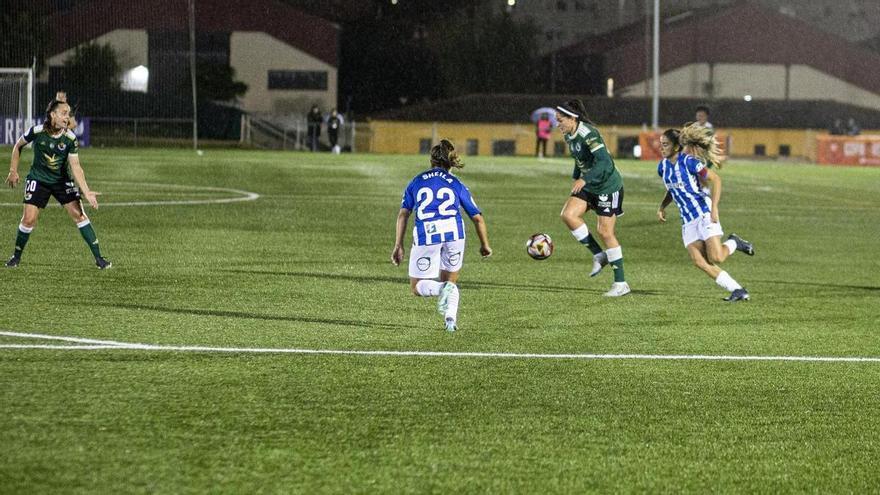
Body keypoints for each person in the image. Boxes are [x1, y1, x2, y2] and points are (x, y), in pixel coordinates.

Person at [391, 139, 492, 332]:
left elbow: (404, 213)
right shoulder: (456, 183)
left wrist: (398, 245)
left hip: (427, 233)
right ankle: (450, 321)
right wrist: (484, 245)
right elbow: (477, 218)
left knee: (417, 287)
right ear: (450, 163)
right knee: (450, 284)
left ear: (432, 160)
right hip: (454, 233)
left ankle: (441, 294)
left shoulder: (417, 181)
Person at [5, 99, 110, 269]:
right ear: (52, 115)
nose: (67, 118)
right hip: (38, 179)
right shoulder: (37, 131)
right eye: (63, 113)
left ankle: (99, 259)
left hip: (61, 181)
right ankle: (15, 257)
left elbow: (76, 167)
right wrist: (13, 170)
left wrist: (87, 191)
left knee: (79, 214)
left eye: (68, 114)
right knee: (29, 219)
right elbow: (18, 146)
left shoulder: (70, 138)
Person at [656, 124, 754, 302]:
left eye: (665, 144)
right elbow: (673, 189)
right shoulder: (662, 167)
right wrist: (662, 206)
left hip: (703, 212)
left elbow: (715, 179)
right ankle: (738, 290)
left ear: (676, 146)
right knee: (699, 261)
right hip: (687, 220)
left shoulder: (689, 162)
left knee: (716, 257)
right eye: (660, 144)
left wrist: (714, 208)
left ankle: (734, 243)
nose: (661, 148)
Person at [555, 99, 629, 297]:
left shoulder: (588, 134)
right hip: (589, 184)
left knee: (605, 232)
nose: (557, 124)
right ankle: (599, 255)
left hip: (607, 186)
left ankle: (621, 284)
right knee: (568, 215)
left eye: (560, 120)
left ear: (573, 118)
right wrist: (576, 177)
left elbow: (604, 162)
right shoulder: (569, 134)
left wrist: (584, 179)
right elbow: (580, 159)